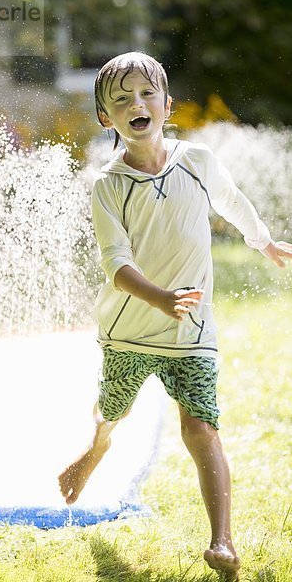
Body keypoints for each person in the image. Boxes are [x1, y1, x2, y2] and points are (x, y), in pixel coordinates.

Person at [58, 52, 292, 581]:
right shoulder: (108, 186)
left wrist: (263, 243)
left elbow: (231, 201)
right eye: (120, 101)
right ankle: (95, 450)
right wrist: (160, 297)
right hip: (130, 332)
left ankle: (222, 542)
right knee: (112, 412)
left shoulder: (199, 161)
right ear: (106, 119)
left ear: (167, 105)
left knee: (202, 428)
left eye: (146, 95)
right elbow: (116, 264)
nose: (135, 105)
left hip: (192, 330)